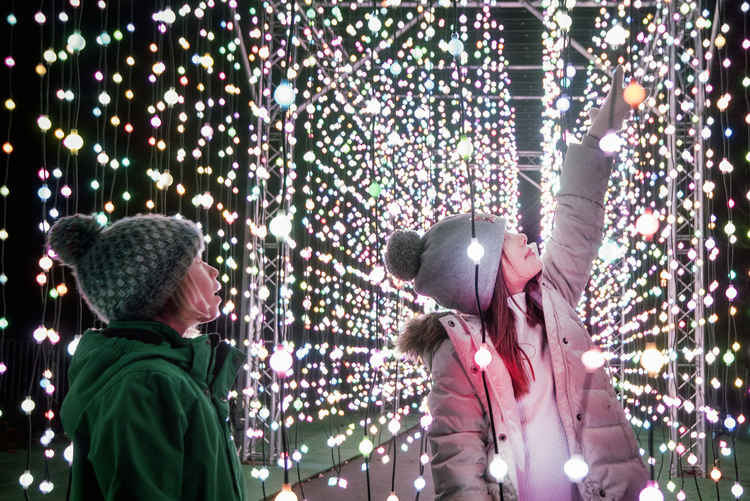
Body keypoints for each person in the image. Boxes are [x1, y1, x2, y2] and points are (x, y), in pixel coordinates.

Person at [384, 66, 649, 501]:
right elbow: (460, 470)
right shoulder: (460, 356)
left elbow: (577, 215)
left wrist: (606, 125)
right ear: (485, 269)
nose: (525, 238)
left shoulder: (552, 299)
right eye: (509, 239)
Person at [47, 213, 246, 500]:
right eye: (198, 261)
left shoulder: (174, 372)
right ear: (168, 283)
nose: (213, 271)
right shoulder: (146, 383)